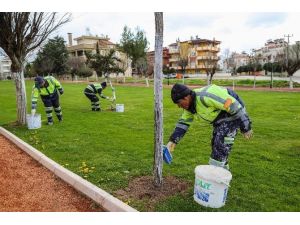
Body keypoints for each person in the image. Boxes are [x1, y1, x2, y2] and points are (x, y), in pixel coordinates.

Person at [166, 83, 253, 170]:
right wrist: (172, 142)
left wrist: (246, 126)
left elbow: (233, 105)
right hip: (220, 119)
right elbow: (183, 124)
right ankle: (223, 174)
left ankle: (214, 175)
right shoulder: (190, 107)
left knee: (220, 146)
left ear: (186, 97)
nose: (178, 106)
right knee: (215, 144)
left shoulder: (206, 96)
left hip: (233, 112)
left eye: (179, 103)